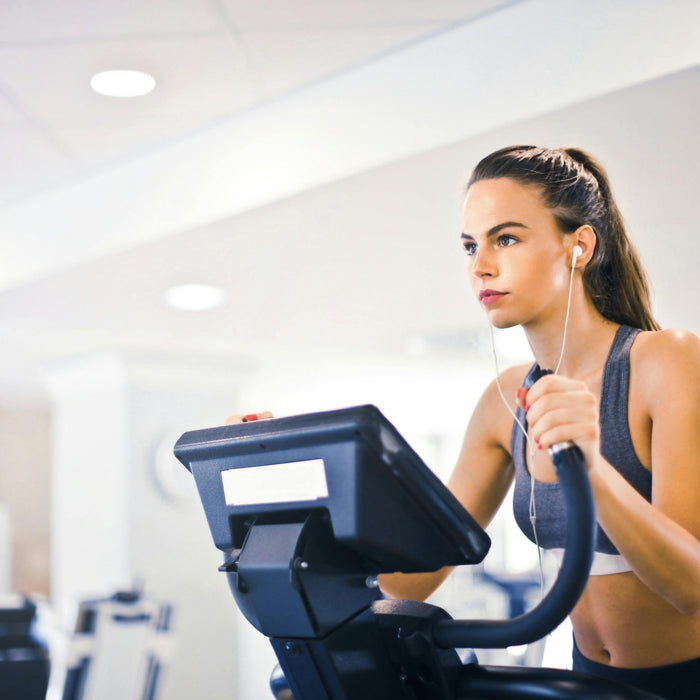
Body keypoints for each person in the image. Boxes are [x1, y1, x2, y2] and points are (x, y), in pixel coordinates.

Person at [227, 145, 700, 699]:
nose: (480, 265)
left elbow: (691, 586)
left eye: (506, 238)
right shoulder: (505, 400)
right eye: (471, 246)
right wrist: (281, 487)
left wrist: (590, 466)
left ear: (579, 246)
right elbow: (416, 577)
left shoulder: (663, 361)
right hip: (589, 681)